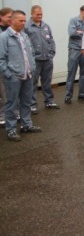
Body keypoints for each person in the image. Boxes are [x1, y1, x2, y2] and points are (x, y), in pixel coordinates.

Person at [0, 10, 42, 142]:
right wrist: (9, 75)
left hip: (28, 75)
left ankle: (26, 124)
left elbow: (31, 54)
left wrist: (32, 68)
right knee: (12, 103)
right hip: (14, 76)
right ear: (12, 21)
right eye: (21, 21)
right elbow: (1, 59)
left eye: (24, 21)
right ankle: (11, 129)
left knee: (26, 101)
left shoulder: (24, 36)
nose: (24, 23)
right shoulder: (4, 37)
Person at [24, 5, 59, 114]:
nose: (39, 16)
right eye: (37, 14)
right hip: (35, 60)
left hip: (47, 59)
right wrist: (31, 57)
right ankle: (32, 105)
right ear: (32, 14)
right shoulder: (27, 27)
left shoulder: (45, 26)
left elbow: (51, 40)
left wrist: (52, 52)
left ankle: (49, 101)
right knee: (32, 83)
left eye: (41, 14)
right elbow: (25, 43)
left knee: (47, 81)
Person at [65, 5, 84, 104]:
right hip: (74, 50)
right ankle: (68, 96)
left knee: (83, 73)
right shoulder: (73, 20)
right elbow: (72, 33)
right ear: (81, 11)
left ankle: (82, 94)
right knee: (71, 73)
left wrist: (81, 32)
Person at [0, 7, 14, 127]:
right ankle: (2, 116)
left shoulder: (12, 30)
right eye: (9, 17)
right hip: (2, 66)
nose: (11, 19)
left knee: (13, 92)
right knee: (2, 92)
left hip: (12, 66)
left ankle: (14, 113)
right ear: (2, 17)